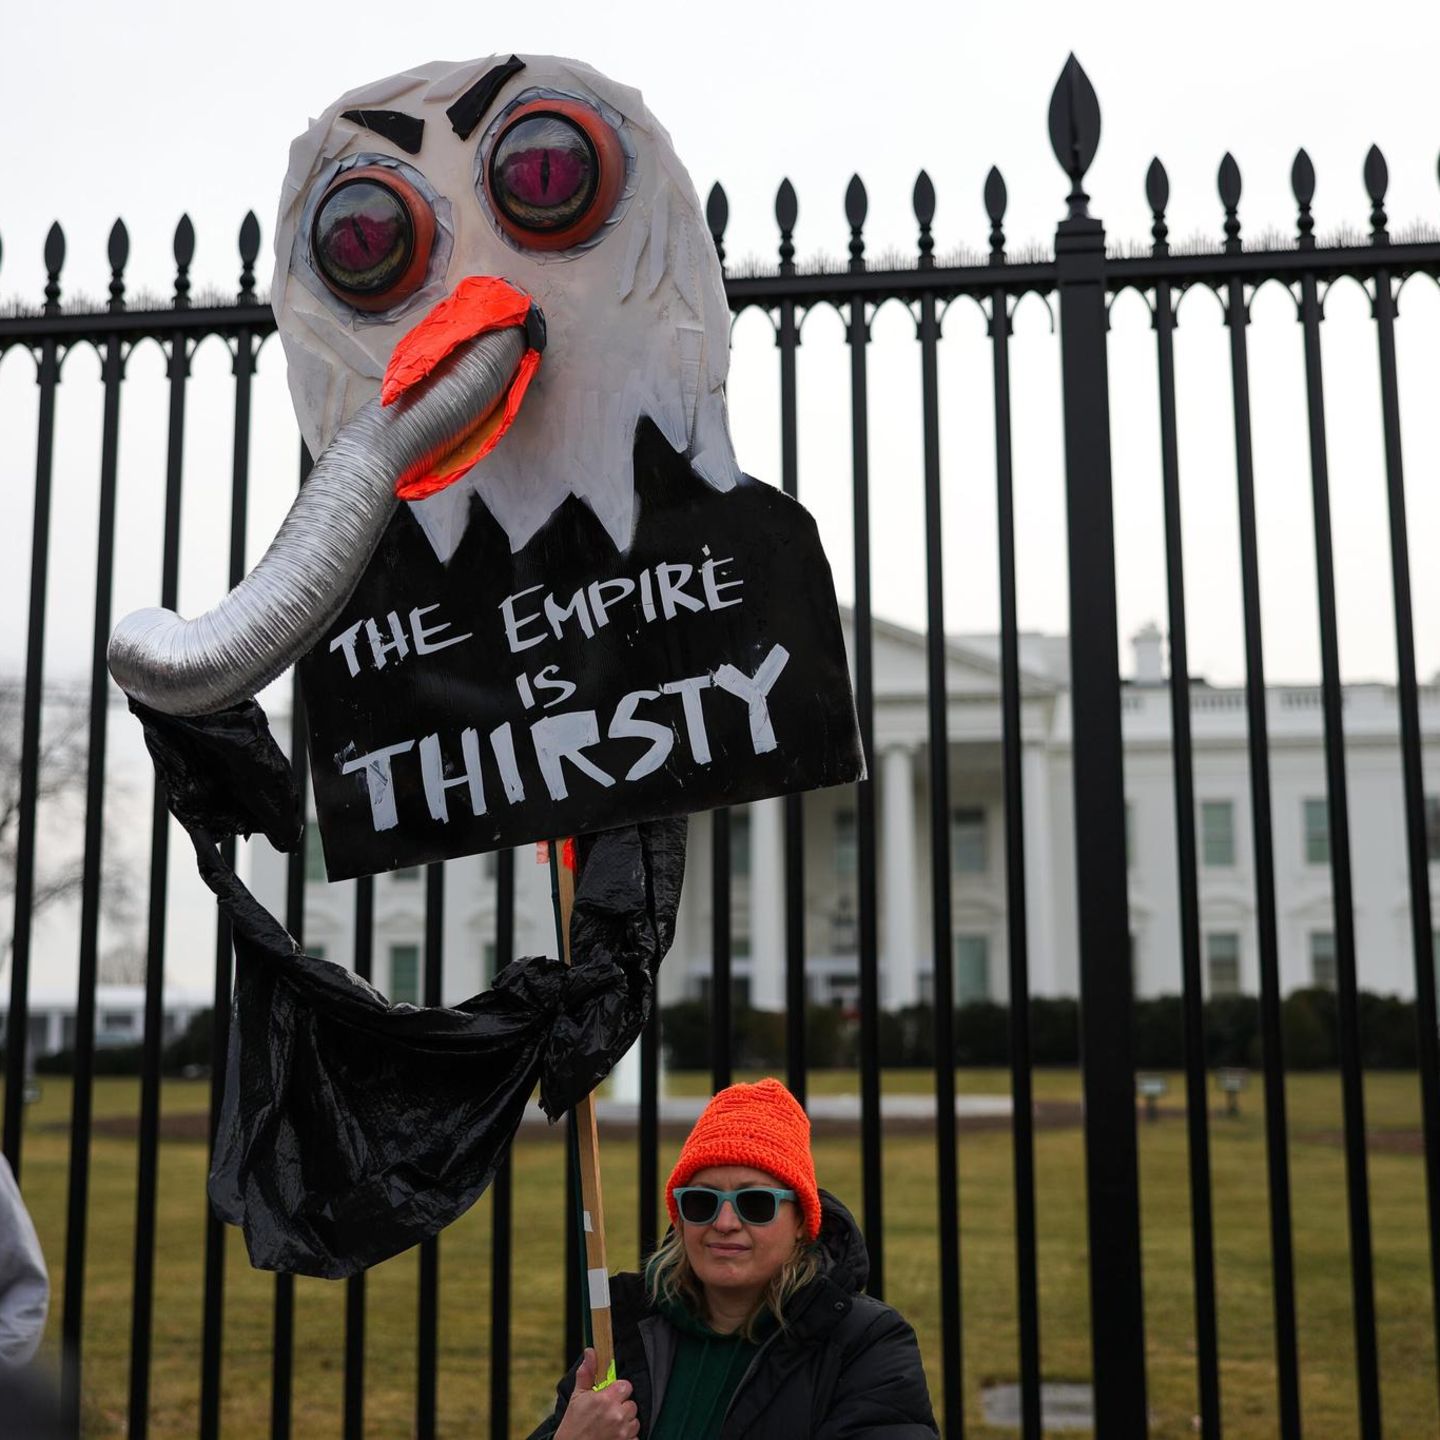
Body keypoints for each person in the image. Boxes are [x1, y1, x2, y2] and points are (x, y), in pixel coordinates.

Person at [529, 1078, 937, 1439]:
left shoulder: (863, 1343)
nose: (724, 1223)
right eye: (703, 1201)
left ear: (801, 1221)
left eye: (755, 1203)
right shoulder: (624, 1329)